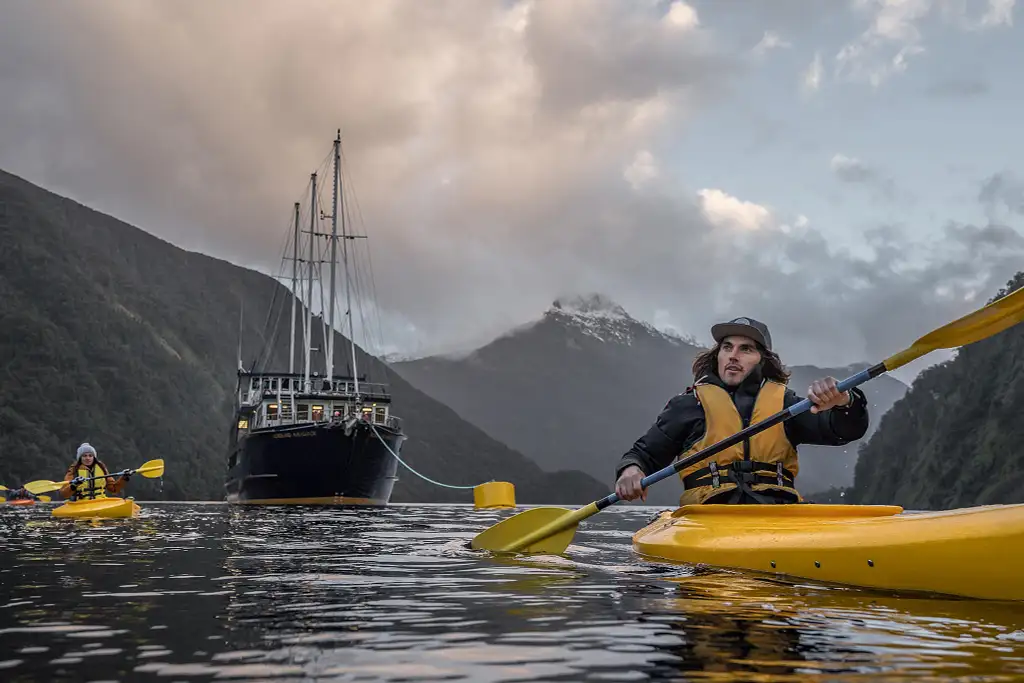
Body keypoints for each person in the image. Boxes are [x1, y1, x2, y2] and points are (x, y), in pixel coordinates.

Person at [614, 317, 869, 505]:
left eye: (745, 349)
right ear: (718, 355)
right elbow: (644, 455)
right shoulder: (688, 405)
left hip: (778, 512)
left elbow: (843, 430)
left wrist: (844, 401)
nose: (733, 355)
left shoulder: (785, 405)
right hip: (708, 515)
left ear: (763, 360)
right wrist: (631, 470)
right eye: (727, 347)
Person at [60, 442, 131, 501]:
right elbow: (65, 494)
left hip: (100, 501)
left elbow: (114, 489)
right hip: (81, 503)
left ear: (94, 457)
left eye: (90, 455)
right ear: (80, 458)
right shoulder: (74, 470)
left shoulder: (101, 467)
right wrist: (74, 485)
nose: (88, 458)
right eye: (84, 456)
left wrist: (124, 478)